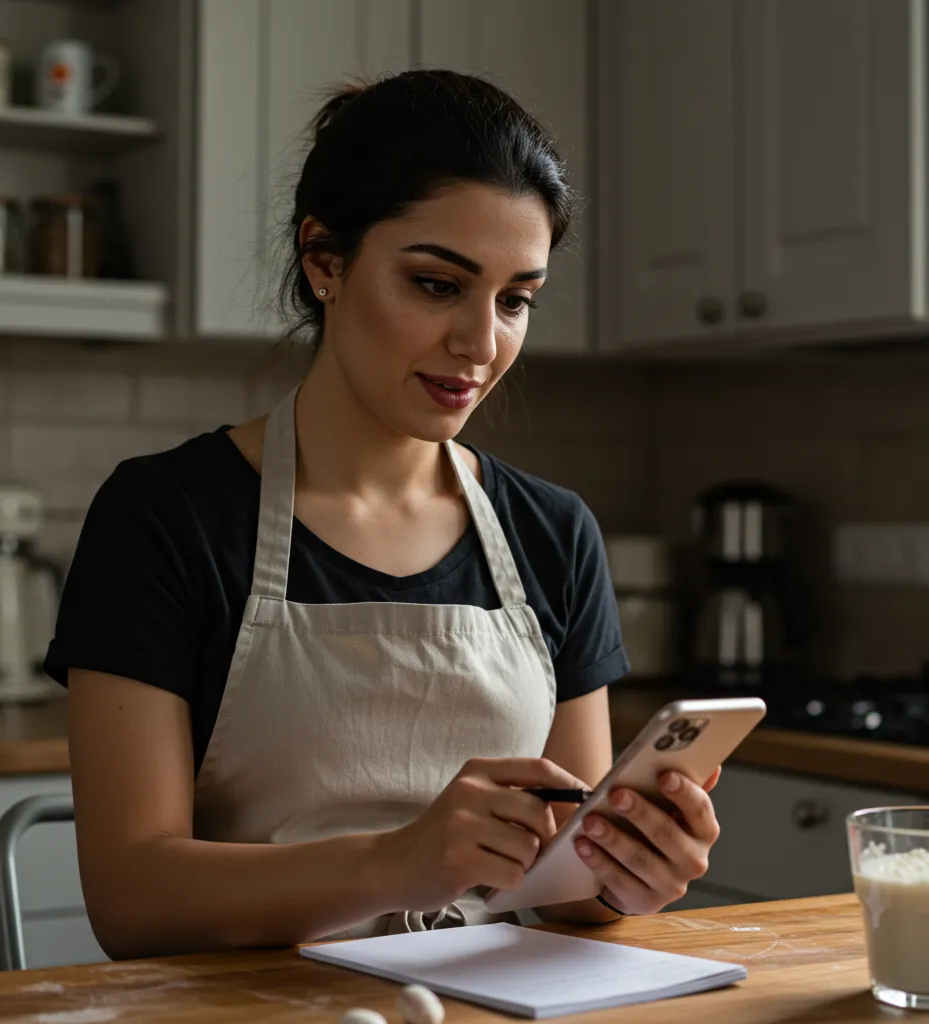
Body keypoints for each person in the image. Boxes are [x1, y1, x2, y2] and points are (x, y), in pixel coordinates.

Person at [47, 69, 721, 960]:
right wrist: (396, 864)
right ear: (324, 259)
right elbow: (131, 900)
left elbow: (569, 890)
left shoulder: (553, 533)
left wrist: (629, 872)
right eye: (439, 284)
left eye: (515, 300)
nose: (481, 345)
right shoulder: (165, 516)